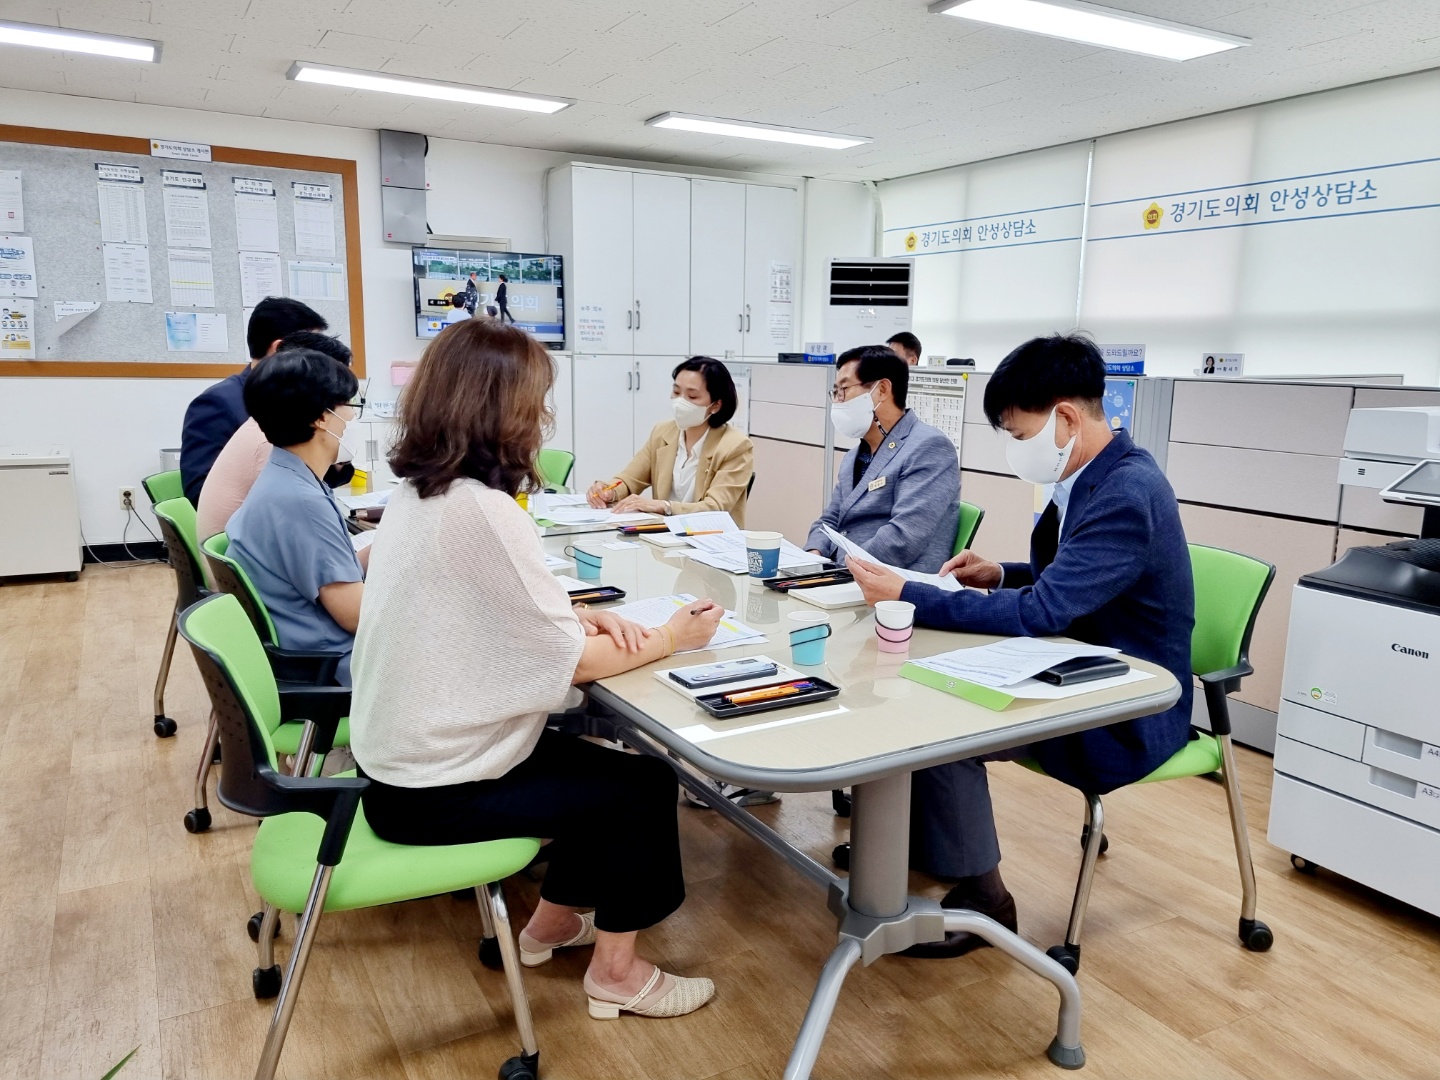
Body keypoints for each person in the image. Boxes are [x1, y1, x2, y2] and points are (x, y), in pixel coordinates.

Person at [349, 319, 723, 1020]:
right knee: (642, 784)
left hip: (397, 765)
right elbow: (577, 665)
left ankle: (551, 924)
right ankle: (617, 975)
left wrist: (569, 609)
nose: (543, 417)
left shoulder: (419, 496)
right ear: (503, 409)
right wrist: (674, 635)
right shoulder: (485, 510)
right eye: (536, 401)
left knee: (592, 766)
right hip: (435, 788)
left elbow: (472, 608)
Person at [848, 333, 1195, 959]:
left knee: (939, 727)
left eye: (1015, 432)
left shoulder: (1125, 492)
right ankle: (935, 845)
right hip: (1071, 666)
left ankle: (987, 902)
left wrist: (907, 592)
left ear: (1064, 417)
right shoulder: (1096, 475)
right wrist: (1002, 572)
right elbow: (1072, 578)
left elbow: (1045, 612)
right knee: (925, 696)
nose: (1013, 448)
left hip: (1125, 705)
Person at [227, 348, 366, 685]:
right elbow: (355, 615)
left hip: (309, 650)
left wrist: (393, 543)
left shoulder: (286, 475)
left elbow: (330, 570)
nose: (352, 419)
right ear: (321, 417)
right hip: (330, 667)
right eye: (350, 406)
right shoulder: (301, 500)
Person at [805, 345, 959, 572]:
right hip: (848, 576)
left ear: (882, 389)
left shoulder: (929, 446)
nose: (838, 400)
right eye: (835, 392)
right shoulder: (853, 457)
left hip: (896, 587)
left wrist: (840, 569)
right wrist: (812, 557)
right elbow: (830, 520)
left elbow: (903, 538)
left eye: (844, 389)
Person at [196, 331, 354, 543]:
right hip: (239, 566)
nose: (352, 413)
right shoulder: (269, 447)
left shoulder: (269, 427)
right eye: (344, 399)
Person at [179, 297, 327, 505]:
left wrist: (336, 460)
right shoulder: (217, 403)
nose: (319, 363)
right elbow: (200, 493)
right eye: (313, 352)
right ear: (279, 349)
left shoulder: (293, 397)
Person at [586, 357, 754, 526]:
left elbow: (715, 507)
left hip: (711, 539)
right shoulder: (662, 432)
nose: (680, 401)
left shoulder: (736, 446)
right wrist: (609, 490)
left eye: (692, 396)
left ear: (716, 405)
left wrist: (664, 506)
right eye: (676, 392)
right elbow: (630, 479)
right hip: (663, 536)